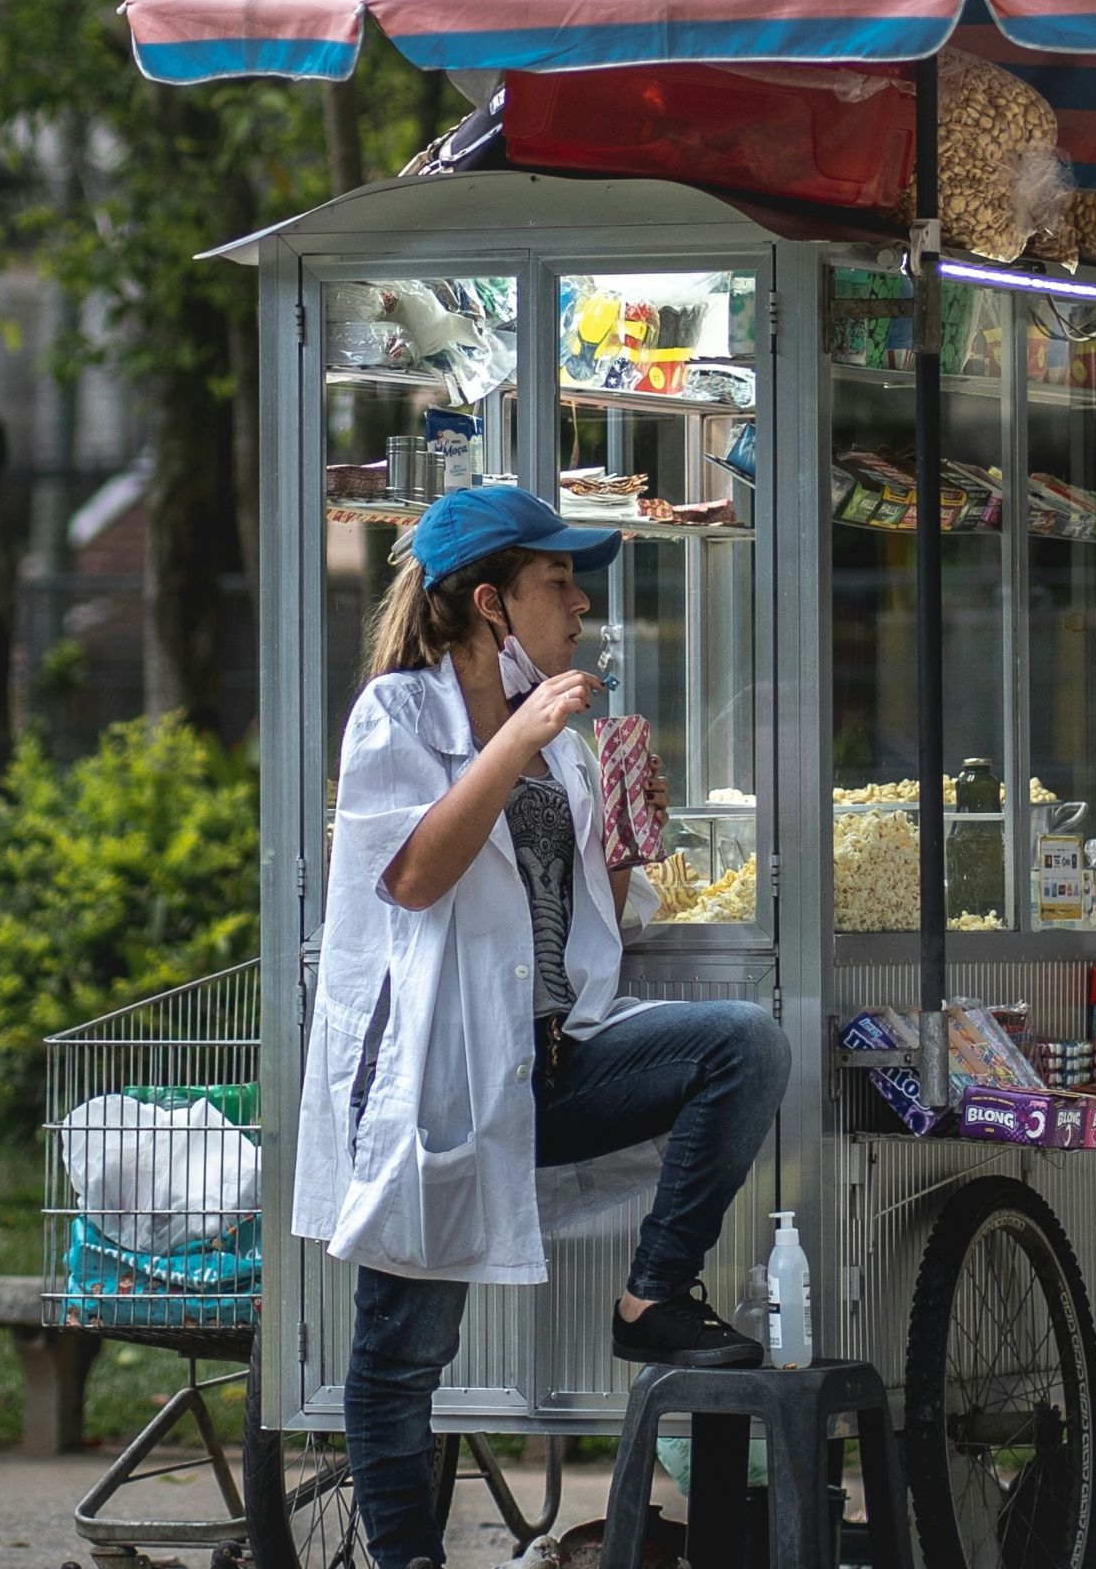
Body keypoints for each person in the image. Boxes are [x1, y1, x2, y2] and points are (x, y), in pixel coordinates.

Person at [294, 484, 788, 1569]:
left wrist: (622, 828)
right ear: (489, 602)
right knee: (402, 1355)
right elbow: (415, 876)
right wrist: (521, 738)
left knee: (741, 1045)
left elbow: (569, 921)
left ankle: (653, 1297)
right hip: (440, 1080)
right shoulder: (400, 716)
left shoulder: (554, 730)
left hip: (551, 1062)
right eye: (556, 580)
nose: (581, 600)